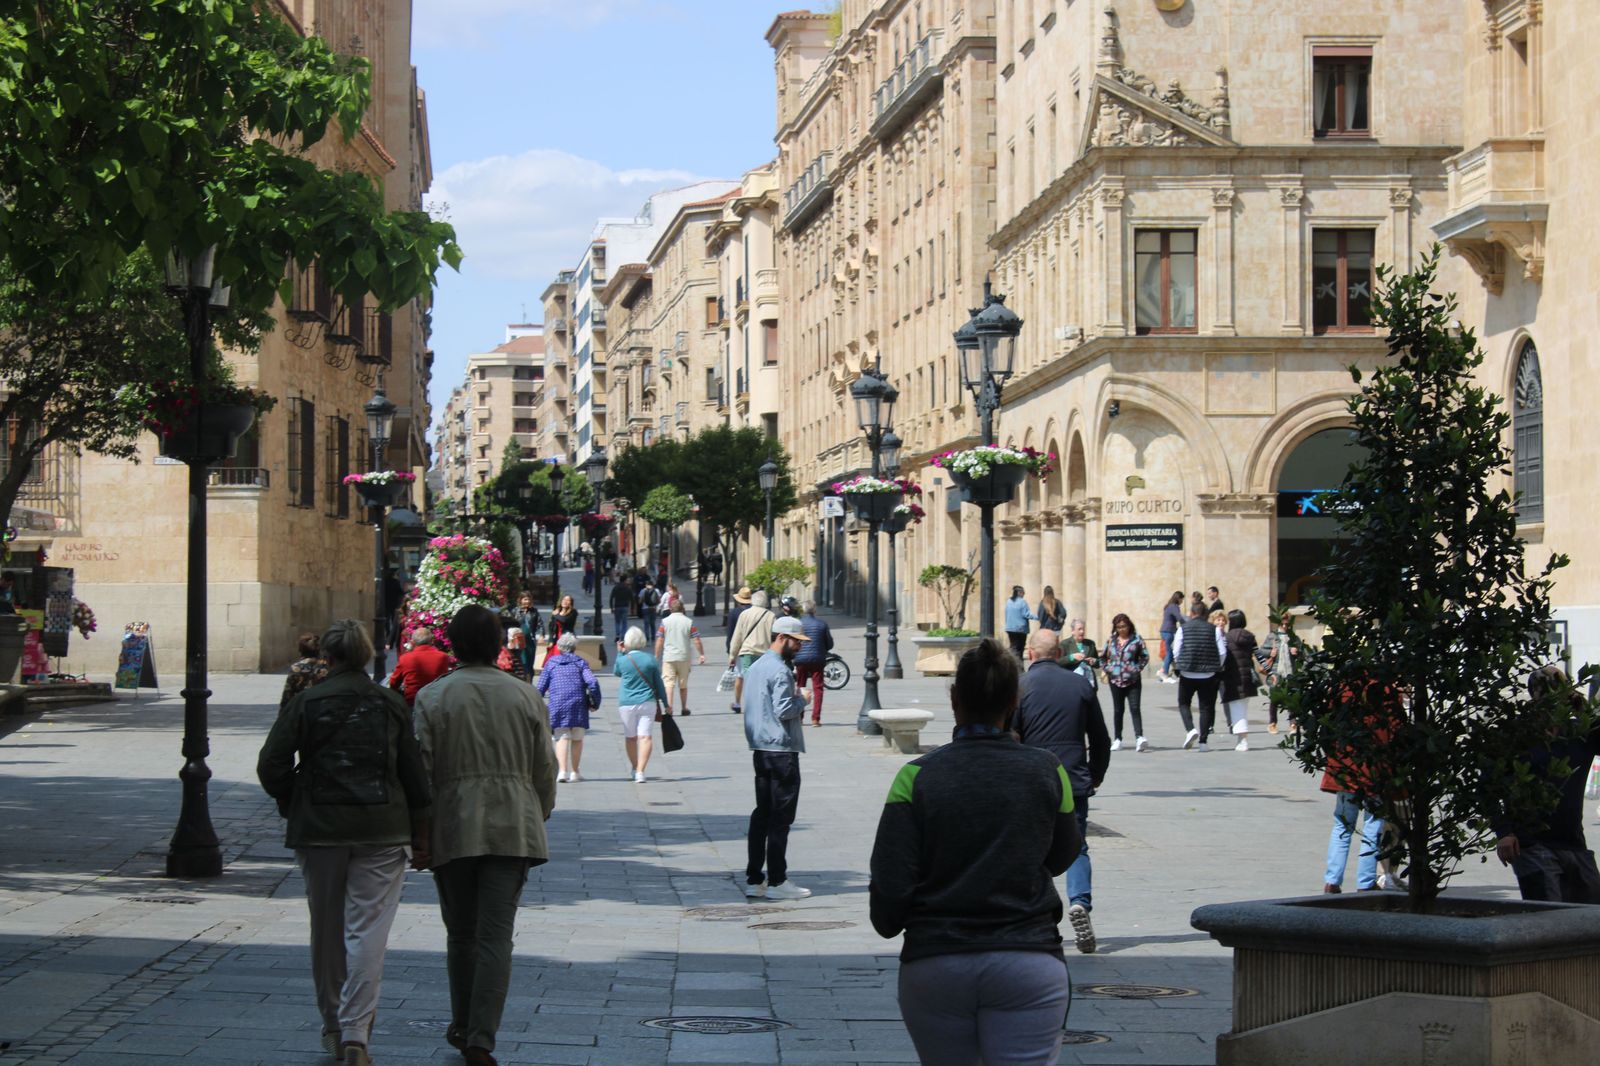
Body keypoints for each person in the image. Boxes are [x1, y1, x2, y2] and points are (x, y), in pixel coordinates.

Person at [870, 638, 1082, 1065]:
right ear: (1014, 699)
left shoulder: (915, 778)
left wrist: (892, 920)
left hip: (937, 962)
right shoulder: (1048, 770)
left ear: (954, 699)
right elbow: (1062, 855)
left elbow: (891, 884)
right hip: (1028, 959)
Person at [257, 620, 430, 1066]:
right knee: (368, 931)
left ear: (327, 659)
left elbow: (271, 764)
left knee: (326, 929)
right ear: (366, 656)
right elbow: (414, 775)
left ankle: (334, 1025)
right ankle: (357, 1032)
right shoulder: (390, 703)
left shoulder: (307, 702)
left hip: (320, 826)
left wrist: (291, 799)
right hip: (382, 827)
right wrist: (422, 828)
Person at [413, 605, 558, 1066]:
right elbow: (545, 769)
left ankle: (461, 1021)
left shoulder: (434, 698)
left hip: (454, 823)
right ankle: (481, 1037)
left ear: (452, 644)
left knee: (461, 933)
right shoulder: (524, 696)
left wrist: (421, 828)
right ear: (498, 644)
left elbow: (421, 770)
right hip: (512, 823)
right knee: (497, 936)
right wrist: (537, 811)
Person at [1014, 629, 1109, 955]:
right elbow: (1100, 738)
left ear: (1030, 653)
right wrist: (1095, 775)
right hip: (1072, 777)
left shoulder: (1021, 687)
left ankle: (1038, 917)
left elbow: (1010, 736)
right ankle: (1079, 901)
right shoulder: (1080, 684)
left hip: (1032, 778)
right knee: (1077, 846)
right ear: (1059, 654)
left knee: (1031, 849)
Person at [1494, 666, 1600, 903]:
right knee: (1546, 914)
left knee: (1591, 917)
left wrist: (1584, 712)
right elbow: (1489, 785)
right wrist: (1504, 832)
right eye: (1544, 690)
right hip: (1530, 842)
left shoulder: (1580, 733)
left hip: (1573, 841)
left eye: (1558, 690)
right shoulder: (1518, 735)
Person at [742, 616, 812, 900]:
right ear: (782, 638)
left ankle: (754, 878)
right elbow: (784, 710)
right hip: (781, 750)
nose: (799, 647)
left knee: (762, 815)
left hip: (760, 748)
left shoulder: (756, 666)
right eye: (796, 642)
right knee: (780, 818)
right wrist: (803, 699)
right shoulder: (780, 671)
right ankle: (777, 881)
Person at [536, 631, 600, 783]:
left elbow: (540, 687)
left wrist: (537, 703)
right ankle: (575, 772)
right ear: (574, 647)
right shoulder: (580, 663)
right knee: (577, 738)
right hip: (578, 704)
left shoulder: (551, 663)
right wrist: (594, 702)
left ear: (559, 647)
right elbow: (592, 682)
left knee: (561, 737)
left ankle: (562, 772)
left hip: (557, 704)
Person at [614, 625, 671, 783]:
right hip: (647, 701)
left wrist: (620, 652)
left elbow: (616, 671)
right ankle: (640, 771)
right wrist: (666, 703)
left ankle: (634, 767)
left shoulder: (624, 660)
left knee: (630, 737)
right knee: (645, 737)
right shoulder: (650, 660)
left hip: (626, 703)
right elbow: (659, 684)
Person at [1172, 601, 1225, 751]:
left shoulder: (1183, 629)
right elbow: (1222, 652)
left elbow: (1176, 651)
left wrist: (1180, 664)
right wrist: (1215, 666)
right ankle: (1203, 742)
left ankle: (1191, 729)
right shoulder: (1214, 630)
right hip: (1208, 674)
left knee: (1183, 703)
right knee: (1206, 708)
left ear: (1192, 613)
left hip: (1187, 673)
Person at [1103, 613, 1149, 752]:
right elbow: (1102, 658)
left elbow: (1145, 656)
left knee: (1135, 708)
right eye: (1119, 627)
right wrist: (1108, 669)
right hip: (1115, 680)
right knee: (1118, 710)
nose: (1122, 629)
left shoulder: (1136, 640)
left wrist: (1136, 668)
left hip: (1132, 679)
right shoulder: (1111, 641)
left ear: (1129, 626)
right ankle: (1117, 739)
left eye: (1124, 626)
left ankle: (1139, 737)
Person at [728, 590, 775, 715]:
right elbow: (774, 637)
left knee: (749, 680)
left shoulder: (745, 614)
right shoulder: (771, 616)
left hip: (748, 653)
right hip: (765, 653)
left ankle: (750, 705)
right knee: (762, 680)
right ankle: (762, 704)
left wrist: (732, 655)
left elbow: (737, 636)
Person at [654, 601, 706, 716]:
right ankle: (684, 707)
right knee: (683, 685)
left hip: (669, 657)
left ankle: (669, 708)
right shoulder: (689, 622)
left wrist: (656, 656)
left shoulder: (664, 622)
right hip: (684, 657)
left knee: (669, 684)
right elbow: (696, 639)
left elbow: (660, 640)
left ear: (670, 610)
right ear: (682, 609)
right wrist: (701, 654)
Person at [791, 601, 835, 727]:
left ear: (803, 610)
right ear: (815, 610)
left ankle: (799, 718)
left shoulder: (798, 623)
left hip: (800, 659)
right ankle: (815, 719)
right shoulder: (822, 624)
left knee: (800, 687)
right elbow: (830, 644)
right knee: (818, 688)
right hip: (817, 660)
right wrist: (822, 650)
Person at [1221, 610, 1260, 752]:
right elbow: (1258, 655)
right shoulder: (1250, 637)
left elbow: (1223, 656)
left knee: (1236, 708)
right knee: (1242, 707)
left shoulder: (1227, 638)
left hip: (1232, 677)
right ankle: (1241, 738)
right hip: (1247, 677)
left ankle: (1242, 740)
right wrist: (1269, 671)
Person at [386, 626, 453, 706]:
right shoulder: (442, 657)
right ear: (431, 641)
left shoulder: (405, 658)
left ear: (413, 642)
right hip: (435, 702)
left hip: (413, 702)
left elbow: (394, 683)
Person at [1259, 611, 1298, 734]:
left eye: (1287, 624)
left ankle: (1293, 724)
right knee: (1275, 698)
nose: (1285, 627)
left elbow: (1303, 653)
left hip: (1290, 671)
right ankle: (1272, 723)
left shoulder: (1293, 637)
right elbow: (1261, 651)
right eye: (1283, 624)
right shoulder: (1273, 636)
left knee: (1291, 697)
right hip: (1275, 671)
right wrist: (1270, 653)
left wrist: (1297, 652)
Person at [281, 631, 328, 710]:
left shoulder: (296, 668)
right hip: (322, 710)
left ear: (301, 649)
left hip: (300, 710)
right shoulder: (326, 666)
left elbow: (288, 694)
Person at [508, 593, 541, 678]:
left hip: (530, 640)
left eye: (529, 599)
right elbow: (511, 624)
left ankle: (529, 680)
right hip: (518, 640)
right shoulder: (515, 611)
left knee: (530, 661)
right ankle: (521, 678)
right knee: (521, 661)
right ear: (520, 600)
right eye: (525, 599)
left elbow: (540, 624)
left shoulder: (534, 611)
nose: (527, 601)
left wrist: (541, 635)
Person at [1062, 618, 1100, 690]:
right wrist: (1071, 657)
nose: (1082, 631)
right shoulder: (1064, 644)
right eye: (1079, 629)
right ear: (1073, 631)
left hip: (1089, 683)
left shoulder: (1090, 643)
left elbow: (1098, 663)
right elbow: (1058, 662)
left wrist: (1094, 661)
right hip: (1072, 683)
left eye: (1083, 629)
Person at [544, 594, 579, 667]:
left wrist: (555, 615)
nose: (565, 601)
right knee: (553, 658)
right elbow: (551, 627)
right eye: (564, 599)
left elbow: (564, 620)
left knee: (563, 658)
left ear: (571, 603)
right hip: (556, 638)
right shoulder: (557, 611)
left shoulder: (573, 612)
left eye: (568, 600)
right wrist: (550, 640)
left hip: (566, 639)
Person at [1157, 591, 1184, 682]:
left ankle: (1164, 673)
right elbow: (1179, 618)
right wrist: (1186, 625)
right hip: (1169, 631)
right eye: (1181, 599)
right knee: (1169, 653)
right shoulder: (1174, 606)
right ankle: (1164, 673)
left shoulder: (1168, 606)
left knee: (1169, 653)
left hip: (1165, 631)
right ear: (1178, 598)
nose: (1182, 601)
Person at [1003, 586, 1034, 658]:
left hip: (1010, 628)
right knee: (1020, 648)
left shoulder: (1008, 601)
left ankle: (1013, 663)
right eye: (1023, 592)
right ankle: (1019, 665)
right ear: (1019, 593)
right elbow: (1026, 614)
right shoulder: (1022, 602)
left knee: (1013, 647)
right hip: (1020, 629)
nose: (1024, 594)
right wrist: (1037, 617)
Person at [608, 576, 634, 644]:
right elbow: (632, 599)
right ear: (625, 580)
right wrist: (632, 608)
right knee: (624, 622)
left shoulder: (616, 588)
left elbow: (611, 598)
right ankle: (623, 636)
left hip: (617, 607)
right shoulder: (628, 588)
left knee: (617, 622)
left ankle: (617, 635)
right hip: (625, 607)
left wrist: (611, 607)